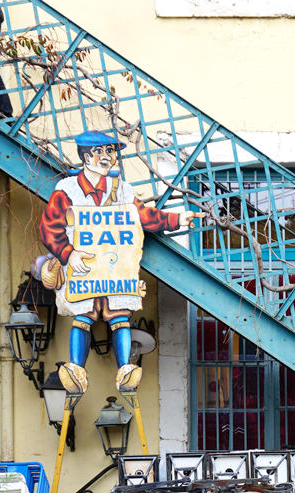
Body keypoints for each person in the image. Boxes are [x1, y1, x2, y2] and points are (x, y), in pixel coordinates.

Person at [39, 130, 202, 394]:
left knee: (120, 314)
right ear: (85, 156)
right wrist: (69, 253)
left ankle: (125, 369)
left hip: (116, 270)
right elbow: (50, 227)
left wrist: (176, 220)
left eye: (111, 152)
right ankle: (76, 369)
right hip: (84, 269)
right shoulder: (66, 191)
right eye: (100, 152)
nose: (106, 158)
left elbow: (142, 215)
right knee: (83, 314)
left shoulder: (122, 190)